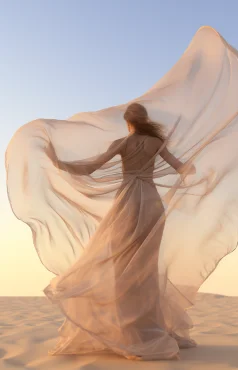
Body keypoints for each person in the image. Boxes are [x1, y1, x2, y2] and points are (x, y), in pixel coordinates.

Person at [44, 102, 196, 361]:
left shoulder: (122, 143)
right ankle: (149, 328)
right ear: (146, 120)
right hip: (151, 203)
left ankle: (129, 330)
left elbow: (90, 168)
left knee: (121, 265)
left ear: (128, 122)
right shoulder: (156, 143)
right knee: (145, 267)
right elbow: (183, 168)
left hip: (128, 203)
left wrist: (56, 161)